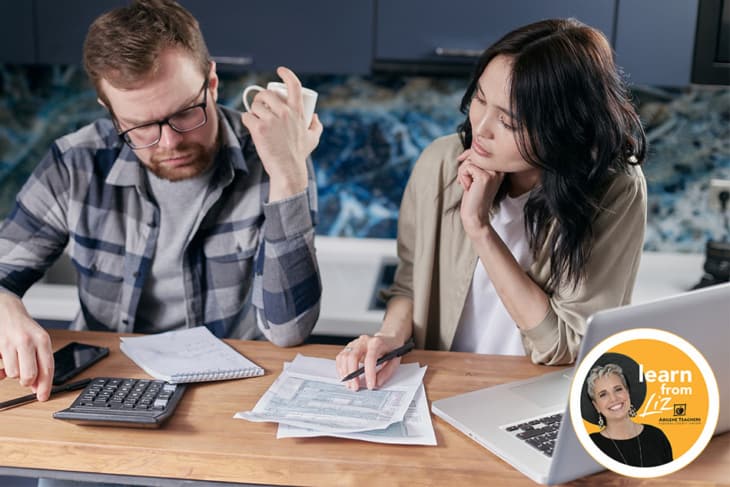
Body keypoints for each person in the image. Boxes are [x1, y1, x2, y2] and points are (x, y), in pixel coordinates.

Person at [0, 0, 323, 403]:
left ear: (212, 82)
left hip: (228, 395)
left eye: (186, 113)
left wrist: (289, 175)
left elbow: (289, 329)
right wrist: (5, 307)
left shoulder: (276, 156)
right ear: (110, 111)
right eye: (138, 127)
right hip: (104, 387)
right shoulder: (75, 162)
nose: (170, 143)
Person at [336, 18, 647, 391]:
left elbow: (564, 344)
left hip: (536, 399)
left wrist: (479, 228)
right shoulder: (440, 163)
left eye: (509, 121)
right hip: (442, 390)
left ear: (562, 128)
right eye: (480, 99)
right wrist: (388, 338)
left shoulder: (613, 191)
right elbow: (410, 285)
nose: (480, 128)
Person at [586, 363, 673, 467]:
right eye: (603, 394)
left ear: (628, 392)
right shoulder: (588, 445)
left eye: (618, 389)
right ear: (596, 406)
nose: (614, 398)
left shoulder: (656, 436)